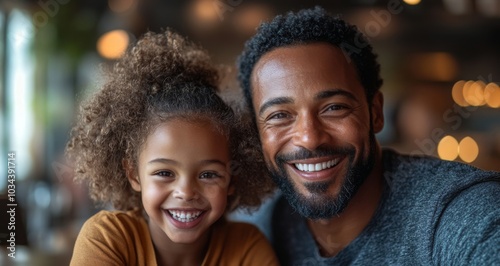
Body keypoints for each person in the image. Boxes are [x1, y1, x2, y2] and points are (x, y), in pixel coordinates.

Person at [236, 6, 500, 265]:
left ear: (376, 113)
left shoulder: (462, 214)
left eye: (334, 108)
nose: (309, 138)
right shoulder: (257, 235)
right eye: (279, 116)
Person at [66, 29, 278, 266]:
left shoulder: (247, 247)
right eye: (165, 173)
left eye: (209, 175)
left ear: (232, 179)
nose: (186, 192)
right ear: (133, 173)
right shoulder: (108, 238)